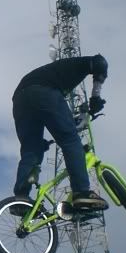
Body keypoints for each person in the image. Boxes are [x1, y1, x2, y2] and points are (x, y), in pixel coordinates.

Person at [11, 53, 110, 210]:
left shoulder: (57, 70)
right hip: (44, 91)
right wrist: (95, 97)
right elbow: (101, 62)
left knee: (32, 149)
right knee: (70, 140)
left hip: (20, 99)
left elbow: (58, 116)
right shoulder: (85, 63)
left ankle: (21, 199)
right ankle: (81, 193)